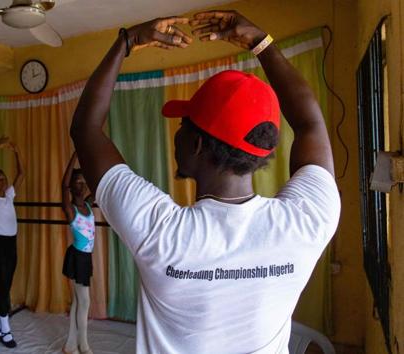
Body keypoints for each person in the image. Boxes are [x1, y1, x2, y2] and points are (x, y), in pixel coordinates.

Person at [70, 11, 341, 354]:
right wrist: (263, 43)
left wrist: (126, 42)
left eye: (183, 125)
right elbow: (311, 124)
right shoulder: (308, 221)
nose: (177, 134)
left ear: (197, 145)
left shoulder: (162, 233)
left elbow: (85, 129)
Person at [0, 137, 24, 348]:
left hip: (11, 244)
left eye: (3, 178)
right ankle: (5, 329)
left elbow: (22, 174)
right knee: (4, 287)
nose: (1, 181)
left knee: (5, 285)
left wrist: (16, 152)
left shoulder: (9, 196)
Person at [61, 152, 95, 354]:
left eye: (84, 183)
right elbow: (63, 185)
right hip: (76, 258)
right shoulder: (70, 209)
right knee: (85, 301)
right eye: (77, 183)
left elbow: (99, 187)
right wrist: (74, 155)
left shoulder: (89, 205)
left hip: (85, 257)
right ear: (72, 187)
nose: (81, 186)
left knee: (78, 301)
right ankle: (84, 345)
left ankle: (70, 345)